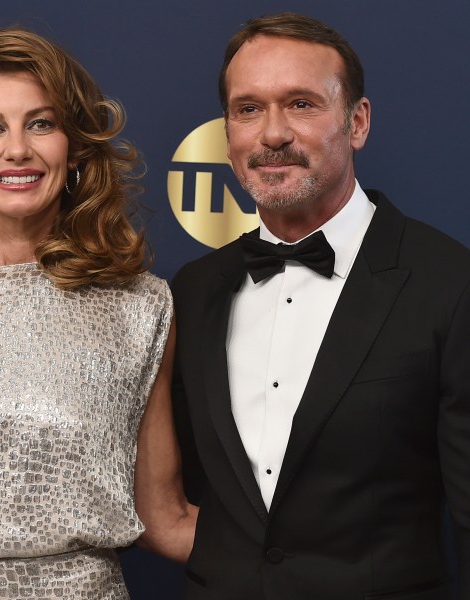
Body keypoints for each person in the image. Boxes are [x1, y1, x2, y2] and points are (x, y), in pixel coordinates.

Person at [0, 27, 196, 599]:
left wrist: (326, 558)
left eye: (40, 124)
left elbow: (164, 518)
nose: (16, 149)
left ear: (73, 149)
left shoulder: (139, 311)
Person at [171, 12, 469, 600]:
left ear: (357, 122)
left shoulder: (450, 284)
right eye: (248, 108)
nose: (272, 133)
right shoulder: (194, 289)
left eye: (302, 104)